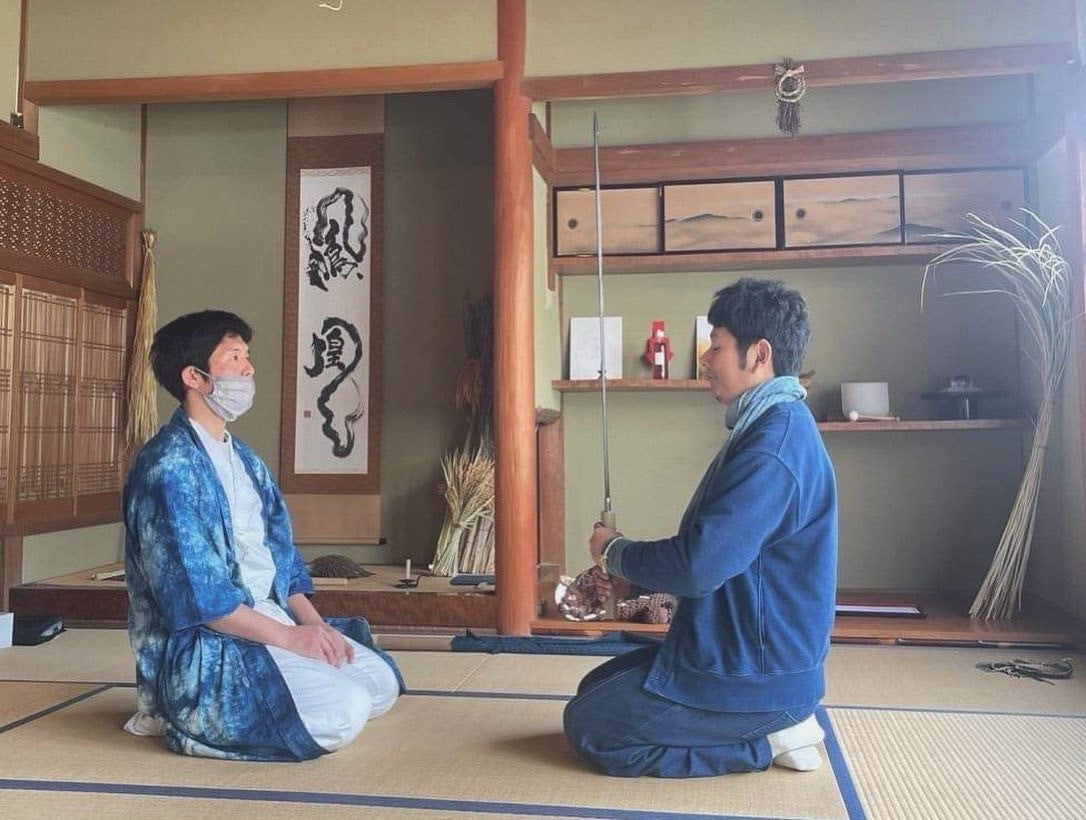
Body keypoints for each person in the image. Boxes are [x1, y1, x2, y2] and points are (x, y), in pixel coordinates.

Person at [563, 278, 837, 778]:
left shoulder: (774, 445)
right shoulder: (769, 427)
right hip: (743, 653)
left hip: (758, 673)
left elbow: (700, 566)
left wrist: (614, 551)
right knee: (594, 690)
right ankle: (771, 725)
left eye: (718, 346)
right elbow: (723, 558)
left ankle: (768, 741)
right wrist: (632, 582)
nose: (707, 359)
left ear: (759, 354)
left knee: (591, 727)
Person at [123, 310, 402, 761]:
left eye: (247, 356)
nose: (249, 369)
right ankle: (177, 717)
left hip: (270, 617)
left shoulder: (246, 460)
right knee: (345, 710)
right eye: (234, 357)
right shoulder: (168, 469)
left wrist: (313, 626)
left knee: (380, 685)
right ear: (195, 377)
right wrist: (290, 640)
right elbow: (200, 598)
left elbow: (283, 557)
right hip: (211, 641)